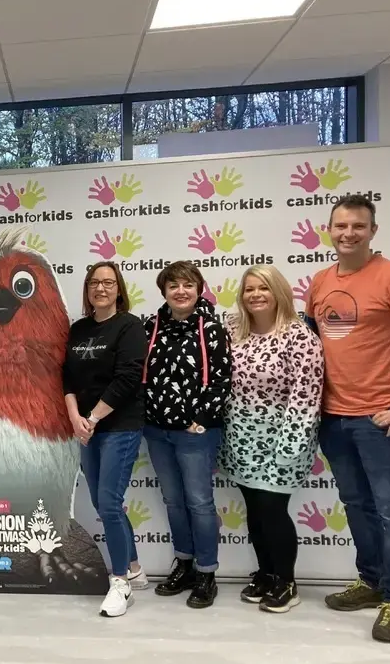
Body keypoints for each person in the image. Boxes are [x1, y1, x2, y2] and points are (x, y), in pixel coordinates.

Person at [305, 194, 390, 643]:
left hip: (382, 420)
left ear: (372, 231)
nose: (349, 234)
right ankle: (372, 580)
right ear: (329, 230)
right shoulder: (320, 281)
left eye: (358, 226)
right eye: (341, 226)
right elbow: (308, 345)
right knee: (357, 505)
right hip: (333, 419)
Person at [220, 265, 323, 613]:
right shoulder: (233, 329)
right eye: (249, 289)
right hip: (240, 439)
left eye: (263, 288)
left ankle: (287, 582)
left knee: (272, 509)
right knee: (254, 509)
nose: (255, 295)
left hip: (283, 439)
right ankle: (266, 573)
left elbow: (306, 395)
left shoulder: (299, 336)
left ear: (278, 291)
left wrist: (290, 445)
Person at [142, 260, 232, 609]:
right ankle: (185, 564)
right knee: (173, 501)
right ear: (164, 291)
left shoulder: (212, 328)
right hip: (157, 430)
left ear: (198, 289)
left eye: (188, 285)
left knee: (199, 502)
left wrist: (202, 419)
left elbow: (222, 379)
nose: (181, 291)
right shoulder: (150, 327)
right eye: (173, 285)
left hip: (195, 433)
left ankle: (207, 572)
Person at [63, 261, 149, 618]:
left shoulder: (129, 326)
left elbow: (128, 378)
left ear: (119, 289)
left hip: (119, 426)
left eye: (108, 282)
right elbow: (67, 378)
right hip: (86, 428)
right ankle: (134, 568)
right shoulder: (79, 328)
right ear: (87, 289)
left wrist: (94, 418)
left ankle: (120, 582)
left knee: (110, 503)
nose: (101, 288)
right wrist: (75, 419)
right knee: (103, 503)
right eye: (94, 282)